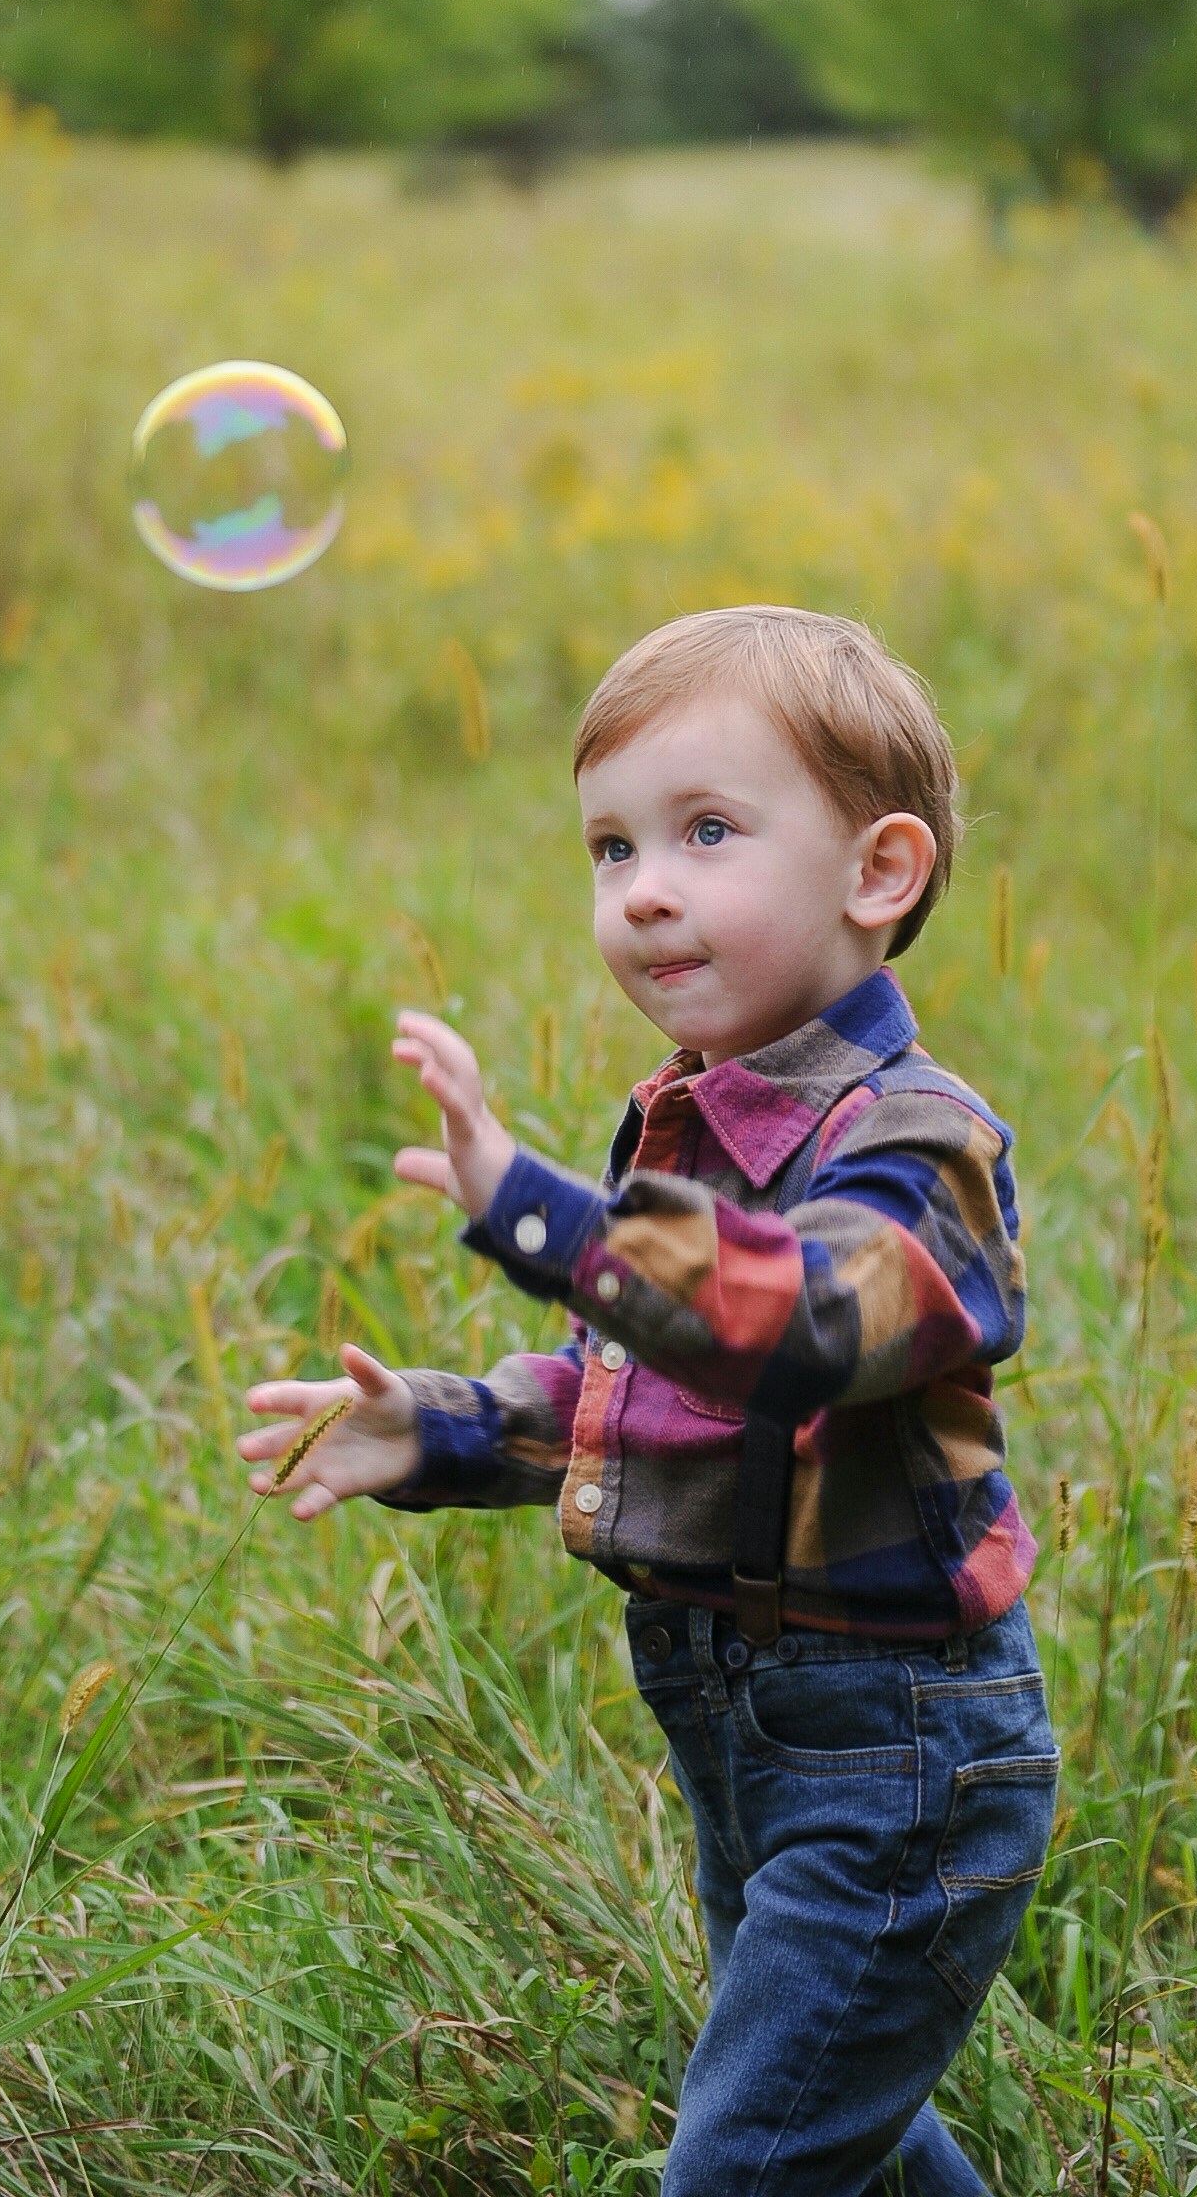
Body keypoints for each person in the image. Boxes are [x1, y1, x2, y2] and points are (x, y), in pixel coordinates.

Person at [239, 604, 1055, 2197]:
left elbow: (798, 1327)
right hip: (747, 1736)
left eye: (706, 831)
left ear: (877, 874)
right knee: (846, 2129)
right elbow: (662, 1392)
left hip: (901, 1753)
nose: (646, 890)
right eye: (612, 849)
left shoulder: (923, 1146)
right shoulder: (689, 1126)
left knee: (743, 2164)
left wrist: (542, 1215)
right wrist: (448, 1427)